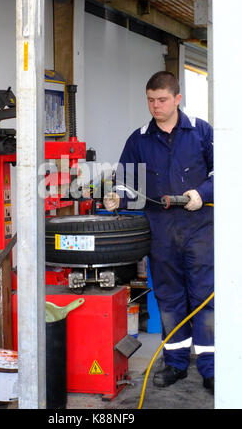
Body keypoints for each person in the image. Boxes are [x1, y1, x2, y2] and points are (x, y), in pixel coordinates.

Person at [104, 71, 214, 393]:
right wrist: (116, 195)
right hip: (161, 234)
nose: (156, 106)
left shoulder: (201, 132)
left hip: (200, 231)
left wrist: (202, 194)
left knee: (204, 300)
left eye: (162, 100)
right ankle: (176, 364)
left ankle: (210, 368)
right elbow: (126, 183)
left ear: (177, 99)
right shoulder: (138, 140)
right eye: (150, 100)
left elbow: (225, 172)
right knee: (169, 300)